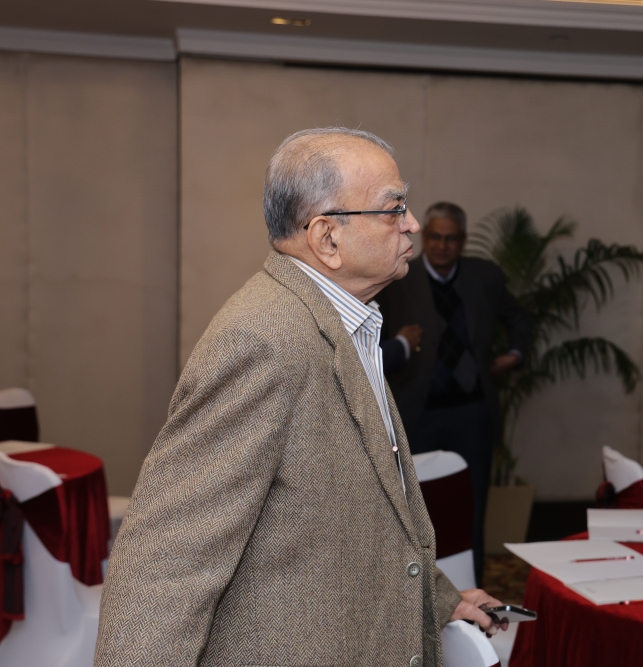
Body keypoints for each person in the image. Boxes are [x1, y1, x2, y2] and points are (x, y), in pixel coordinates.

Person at [94, 128, 503, 667]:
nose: (412, 224)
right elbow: (167, 561)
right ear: (327, 237)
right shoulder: (265, 340)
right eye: (393, 208)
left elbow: (358, 515)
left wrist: (441, 598)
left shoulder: (345, 322)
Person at [378, 201, 531, 586]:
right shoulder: (398, 277)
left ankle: (470, 594)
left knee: (470, 511)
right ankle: (419, 597)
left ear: (462, 241)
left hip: (472, 415)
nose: (442, 246)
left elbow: (518, 316)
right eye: (435, 237)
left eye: (450, 239)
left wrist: (514, 354)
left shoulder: (484, 276)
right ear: (424, 238)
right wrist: (397, 348)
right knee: (416, 514)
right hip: (418, 415)